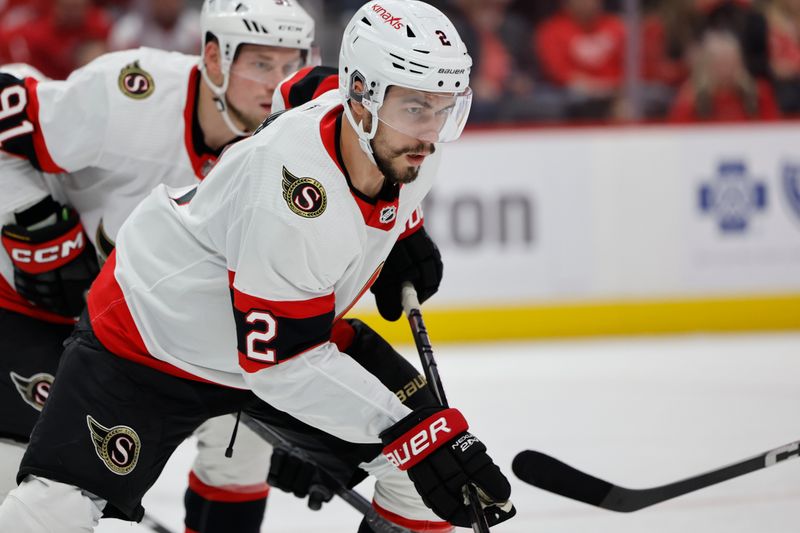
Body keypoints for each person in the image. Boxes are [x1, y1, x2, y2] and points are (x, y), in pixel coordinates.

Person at [0, 1, 516, 532]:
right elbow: (279, 365)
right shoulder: (291, 192)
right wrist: (413, 432)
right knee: (54, 508)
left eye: (445, 107)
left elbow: (302, 87)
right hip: (152, 338)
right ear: (361, 100)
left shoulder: (397, 134)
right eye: (415, 108)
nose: (431, 133)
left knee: (419, 474)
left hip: (267, 334)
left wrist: (402, 227)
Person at [0, 1, 339, 531]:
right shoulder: (132, 95)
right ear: (213, 58)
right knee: (30, 490)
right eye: (260, 64)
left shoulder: (296, 151)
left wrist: (297, 417)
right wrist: (33, 223)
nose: (277, 85)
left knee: (242, 447)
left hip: (143, 325)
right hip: (34, 301)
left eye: (290, 65)